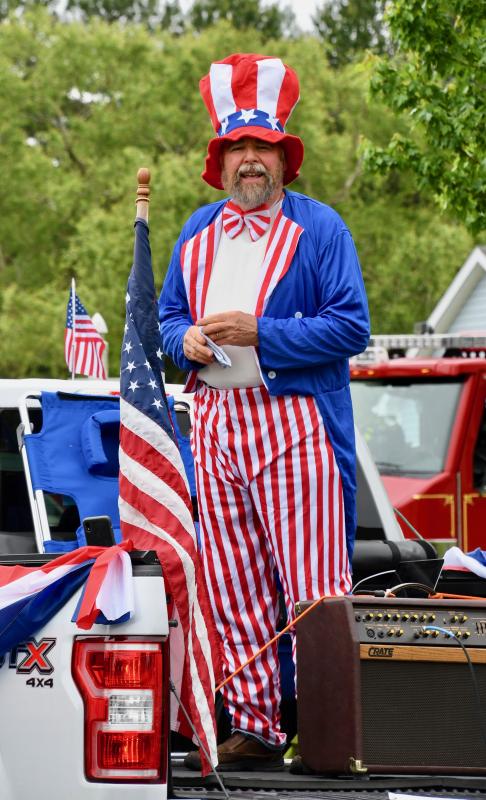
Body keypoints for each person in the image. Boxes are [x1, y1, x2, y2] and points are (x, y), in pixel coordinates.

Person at [159, 52, 370, 771]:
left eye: (263, 147)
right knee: (234, 582)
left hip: (296, 424)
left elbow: (351, 327)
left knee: (314, 587)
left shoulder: (321, 228)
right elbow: (167, 318)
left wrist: (262, 332)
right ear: (220, 161)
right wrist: (182, 340)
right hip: (216, 420)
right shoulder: (197, 230)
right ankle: (255, 724)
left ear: (284, 158)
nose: (250, 159)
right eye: (237, 147)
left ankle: (326, 730)